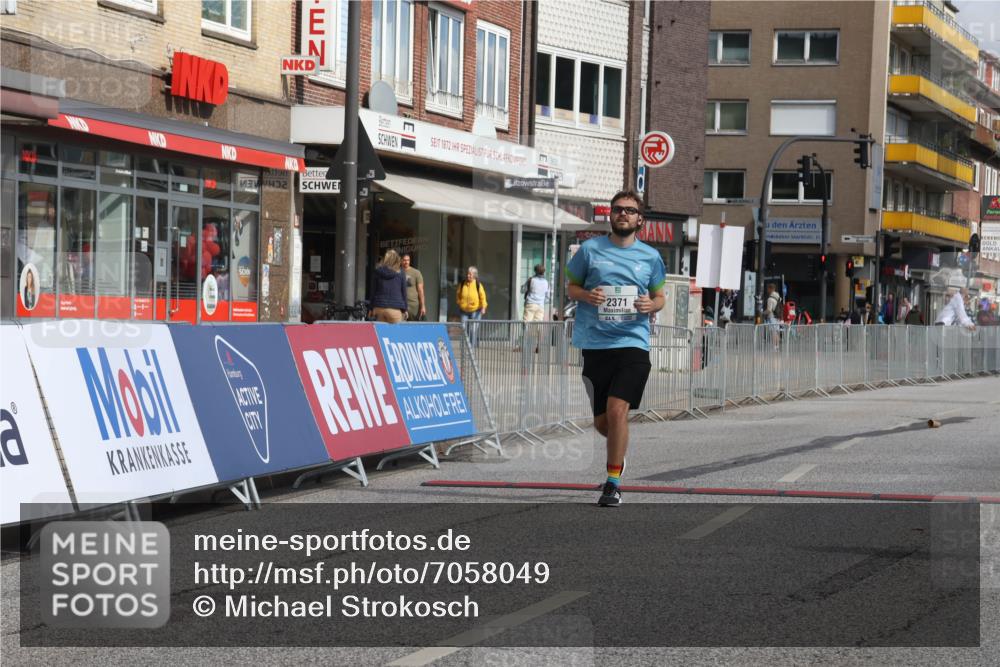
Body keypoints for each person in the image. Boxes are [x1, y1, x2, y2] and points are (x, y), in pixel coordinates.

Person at [566, 189, 666, 507]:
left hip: (632, 344)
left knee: (617, 410)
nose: (623, 214)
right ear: (610, 215)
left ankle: (612, 482)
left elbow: (659, 296)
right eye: (617, 209)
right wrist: (586, 296)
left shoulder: (651, 257)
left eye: (629, 210)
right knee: (601, 423)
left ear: (640, 219)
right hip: (595, 344)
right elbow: (571, 287)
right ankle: (618, 453)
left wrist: (652, 303)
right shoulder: (589, 250)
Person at [368, 249, 408, 323]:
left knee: (380, 333)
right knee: (396, 333)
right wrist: (405, 309)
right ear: (397, 259)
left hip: (379, 308)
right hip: (395, 309)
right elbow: (404, 293)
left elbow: (373, 292)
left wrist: (370, 308)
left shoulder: (377, 271)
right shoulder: (401, 272)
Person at [456, 266, 487, 346]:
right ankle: (464, 348)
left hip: (476, 311)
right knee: (464, 329)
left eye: (470, 274)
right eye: (468, 274)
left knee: (473, 330)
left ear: (474, 275)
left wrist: (483, 307)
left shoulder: (478, 285)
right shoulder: (462, 284)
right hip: (464, 311)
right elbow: (458, 294)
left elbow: (483, 297)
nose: (468, 276)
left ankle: (471, 350)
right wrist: (459, 302)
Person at [401, 253, 426, 321]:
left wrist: (423, 306)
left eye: (408, 260)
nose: (406, 262)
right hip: (401, 305)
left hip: (413, 306)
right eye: (404, 260)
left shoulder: (416, 273)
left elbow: (420, 290)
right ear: (401, 261)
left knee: (413, 326)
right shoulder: (398, 272)